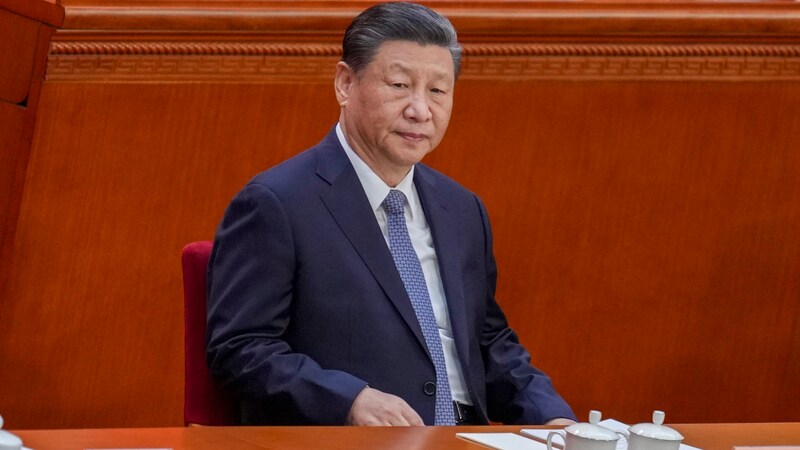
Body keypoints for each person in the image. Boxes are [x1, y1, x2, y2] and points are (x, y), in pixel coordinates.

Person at [206, 1, 576, 427]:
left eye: (438, 90)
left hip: (463, 437)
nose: (421, 110)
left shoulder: (461, 208)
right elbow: (240, 348)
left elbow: (488, 341)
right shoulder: (277, 203)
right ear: (345, 83)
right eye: (400, 85)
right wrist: (350, 401)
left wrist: (552, 419)